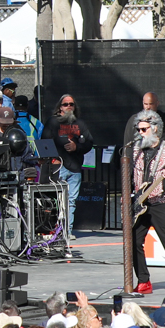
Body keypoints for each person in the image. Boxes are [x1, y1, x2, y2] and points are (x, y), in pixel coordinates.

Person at [126, 112, 165, 296]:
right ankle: (143, 280)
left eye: (144, 129)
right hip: (139, 203)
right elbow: (126, 175)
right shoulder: (134, 150)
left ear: (155, 128)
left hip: (159, 202)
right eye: (138, 129)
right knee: (134, 241)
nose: (140, 133)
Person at [48, 96, 93, 243]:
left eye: (71, 104)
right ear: (60, 107)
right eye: (65, 104)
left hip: (75, 169)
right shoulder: (53, 122)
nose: (68, 106)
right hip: (58, 166)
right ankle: (55, 229)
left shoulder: (79, 123)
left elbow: (90, 142)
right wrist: (51, 158)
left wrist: (77, 147)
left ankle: (67, 230)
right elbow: (43, 141)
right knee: (56, 200)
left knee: (71, 201)